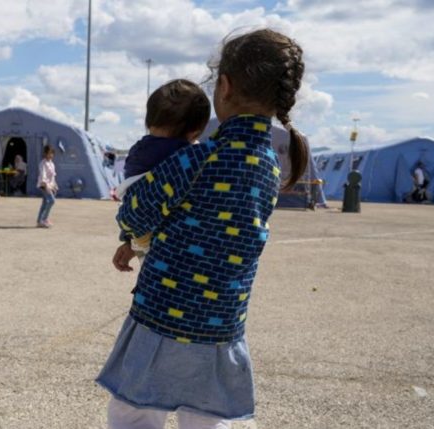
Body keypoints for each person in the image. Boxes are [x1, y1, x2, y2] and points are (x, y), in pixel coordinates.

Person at [99, 28, 309, 428]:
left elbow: (133, 216)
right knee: (207, 417)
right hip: (222, 322)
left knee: (135, 410)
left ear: (224, 88)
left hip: (161, 313)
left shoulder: (196, 161)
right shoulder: (269, 167)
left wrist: (134, 224)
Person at [115, 79, 211, 258]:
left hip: (139, 231)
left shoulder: (138, 150)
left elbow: (132, 197)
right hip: (172, 241)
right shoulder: (188, 156)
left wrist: (128, 241)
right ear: (195, 132)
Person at [36, 146, 57, 228]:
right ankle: (44, 219)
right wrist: (46, 186)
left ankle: (39, 221)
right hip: (43, 185)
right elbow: (43, 175)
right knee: (52, 201)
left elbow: (53, 176)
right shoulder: (42, 163)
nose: (51, 155)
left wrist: (55, 185)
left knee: (45, 203)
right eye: (49, 153)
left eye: (52, 153)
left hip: (50, 186)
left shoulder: (52, 164)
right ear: (45, 154)